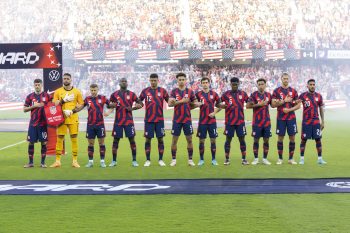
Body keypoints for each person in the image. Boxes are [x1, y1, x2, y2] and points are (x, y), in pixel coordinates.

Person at [50, 73, 84, 168]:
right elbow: (54, 104)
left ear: (71, 79)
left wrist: (72, 111)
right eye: (64, 78)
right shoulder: (58, 91)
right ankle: (57, 161)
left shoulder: (77, 92)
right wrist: (63, 100)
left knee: (74, 138)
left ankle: (75, 161)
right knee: (60, 138)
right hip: (61, 118)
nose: (66, 80)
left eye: (67, 78)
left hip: (73, 117)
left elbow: (81, 104)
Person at [107, 77, 143, 167]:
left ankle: (134, 160)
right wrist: (111, 105)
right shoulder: (114, 94)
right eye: (122, 81)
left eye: (125, 81)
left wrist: (133, 108)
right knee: (115, 141)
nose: (124, 83)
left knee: (132, 140)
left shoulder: (132, 94)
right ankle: (114, 161)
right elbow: (108, 105)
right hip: (118, 121)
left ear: (127, 83)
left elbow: (141, 104)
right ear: (119, 83)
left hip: (128, 121)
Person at [168, 73, 200, 166]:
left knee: (189, 140)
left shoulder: (190, 91)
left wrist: (197, 104)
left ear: (186, 80)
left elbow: (194, 103)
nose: (181, 81)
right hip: (177, 120)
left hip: (187, 120)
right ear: (177, 81)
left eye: (183, 79)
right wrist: (182, 101)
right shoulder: (174, 91)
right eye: (180, 79)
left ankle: (190, 160)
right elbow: (170, 104)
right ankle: (173, 160)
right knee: (174, 140)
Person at [75, 84, 111, 168]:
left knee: (101, 143)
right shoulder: (87, 99)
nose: (93, 92)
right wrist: (72, 111)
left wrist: (108, 112)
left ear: (98, 90)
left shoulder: (102, 98)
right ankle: (90, 161)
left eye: (95, 90)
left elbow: (111, 105)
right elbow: (80, 108)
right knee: (90, 143)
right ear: (90, 90)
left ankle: (102, 161)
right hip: (90, 125)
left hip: (100, 124)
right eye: (92, 90)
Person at [139, 73, 169, 167]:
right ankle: (148, 160)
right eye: (151, 80)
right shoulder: (145, 91)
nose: (153, 82)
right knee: (148, 140)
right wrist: (139, 104)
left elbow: (170, 102)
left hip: (160, 120)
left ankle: (160, 159)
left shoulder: (163, 91)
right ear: (149, 80)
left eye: (155, 80)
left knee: (160, 139)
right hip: (148, 120)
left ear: (158, 80)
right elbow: (139, 101)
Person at [272, 73, 301, 165]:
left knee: (292, 138)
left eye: (287, 78)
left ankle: (291, 159)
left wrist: (289, 109)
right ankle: (280, 159)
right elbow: (273, 104)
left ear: (289, 79)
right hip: (281, 118)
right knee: (280, 138)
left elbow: (298, 105)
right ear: (281, 79)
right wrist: (284, 101)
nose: (285, 80)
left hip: (291, 118)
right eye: (284, 78)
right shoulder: (276, 91)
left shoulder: (293, 91)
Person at [220, 77, 250, 165]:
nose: (234, 86)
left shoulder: (243, 93)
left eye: (236, 84)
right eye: (233, 84)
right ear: (230, 84)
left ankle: (244, 159)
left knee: (242, 140)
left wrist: (254, 103)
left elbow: (249, 102)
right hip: (229, 122)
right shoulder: (226, 94)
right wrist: (224, 106)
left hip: (240, 121)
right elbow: (217, 103)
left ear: (238, 84)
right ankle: (227, 159)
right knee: (228, 140)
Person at [23, 79, 51, 168]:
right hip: (33, 124)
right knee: (31, 142)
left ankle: (43, 163)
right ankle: (30, 163)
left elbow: (53, 106)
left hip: (43, 124)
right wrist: (34, 106)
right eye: (36, 85)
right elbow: (24, 109)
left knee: (44, 143)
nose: (37, 86)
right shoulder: (30, 96)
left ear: (41, 85)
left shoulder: (47, 96)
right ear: (34, 85)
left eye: (39, 85)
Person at [298, 79, 327, 165]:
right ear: (307, 86)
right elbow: (296, 104)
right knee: (303, 140)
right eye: (310, 84)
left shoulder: (319, 96)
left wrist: (323, 121)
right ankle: (302, 159)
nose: (312, 86)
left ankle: (320, 159)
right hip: (306, 122)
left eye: (313, 84)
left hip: (316, 122)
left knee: (318, 140)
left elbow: (321, 108)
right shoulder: (302, 96)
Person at [194, 77, 221, 166]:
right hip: (202, 122)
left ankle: (213, 159)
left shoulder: (214, 94)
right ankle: (201, 159)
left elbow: (220, 105)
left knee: (213, 140)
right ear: (201, 84)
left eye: (206, 82)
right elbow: (192, 104)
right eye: (203, 82)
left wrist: (214, 112)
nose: (205, 84)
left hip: (212, 122)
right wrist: (196, 104)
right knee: (201, 141)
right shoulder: (198, 94)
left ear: (209, 83)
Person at [246, 78, 272, 165]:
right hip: (257, 122)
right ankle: (256, 158)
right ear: (257, 85)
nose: (261, 85)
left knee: (266, 140)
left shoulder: (268, 95)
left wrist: (282, 101)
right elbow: (248, 106)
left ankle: (265, 158)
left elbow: (273, 104)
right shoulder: (253, 95)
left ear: (265, 85)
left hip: (267, 122)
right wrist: (259, 104)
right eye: (259, 84)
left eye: (262, 84)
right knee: (256, 140)